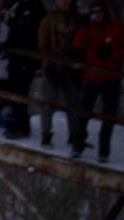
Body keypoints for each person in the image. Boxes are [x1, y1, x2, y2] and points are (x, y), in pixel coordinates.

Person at [71, 0, 124, 162]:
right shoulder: (89, 28)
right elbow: (77, 46)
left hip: (111, 79)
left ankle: (103, 152)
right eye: (94, 12)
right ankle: (77, 146)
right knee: (83, 114)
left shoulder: (119, 28)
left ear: (106, 13)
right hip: (91, 78)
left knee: (108, 118)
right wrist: (83, 28)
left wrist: (112, 53)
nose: (97, 15)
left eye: (100, 12)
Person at [38, 0, 84, 148]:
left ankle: (74, 135)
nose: (64, 2)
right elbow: (42, 45)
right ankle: (46, 134)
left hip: (71, 68)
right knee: (49, 102)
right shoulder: (48, 20)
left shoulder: (77, 19)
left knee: (73, 103)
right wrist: (48, 65)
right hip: (53, 66)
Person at [0, 0, 47, 139]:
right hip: (16, 57)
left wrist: (9, 44)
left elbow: (26, 33)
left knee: (19, 92)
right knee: (14, 91)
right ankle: (15, 123)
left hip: (26, 59)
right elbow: (16, 27)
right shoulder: (22, 6)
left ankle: (21, 126)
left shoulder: (36, 9)